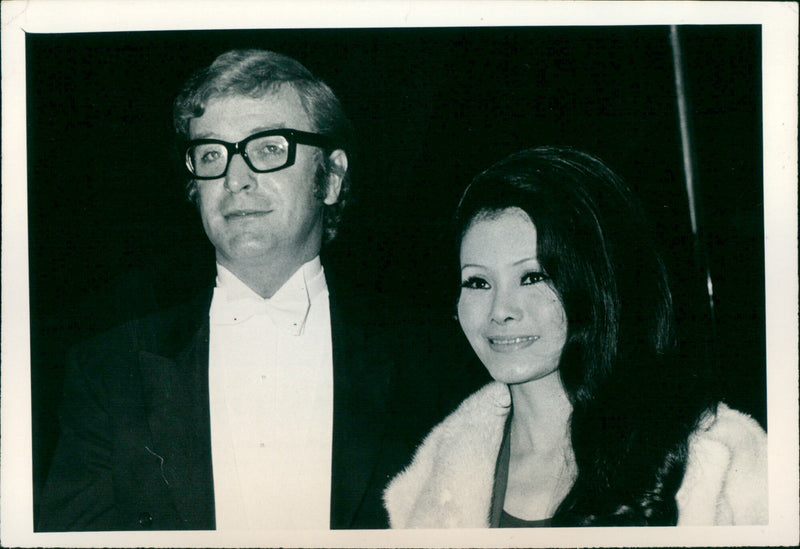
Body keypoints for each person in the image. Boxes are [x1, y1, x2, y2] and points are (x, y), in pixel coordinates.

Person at [37, 48, 477, 531]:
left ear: (330, 178)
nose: (235, 178)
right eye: (211, 154)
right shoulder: (108, 370)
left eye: (269, 148)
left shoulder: (434, 357)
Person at [384, 146, 768, 527]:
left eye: (532, 276)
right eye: (478, 281)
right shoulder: (434, 474)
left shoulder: (720, 460)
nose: (500, 309)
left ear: (595, 282)